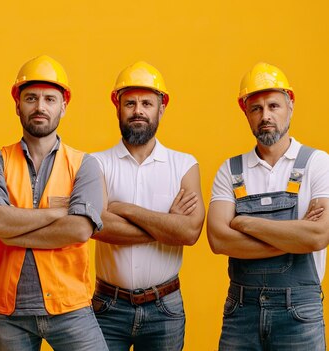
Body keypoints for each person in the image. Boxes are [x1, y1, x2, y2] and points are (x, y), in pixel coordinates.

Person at [0, 55, 109, 351]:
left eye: (49, 99)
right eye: (31, 98)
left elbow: (79, 230)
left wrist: (11, 231)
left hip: (70, 307)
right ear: (17, 104)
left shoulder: (84, 164)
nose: (40, 107)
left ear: (64, 106)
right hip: (9, 312)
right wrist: (57, 213)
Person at [207, 62, 329, 350]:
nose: (265, 116)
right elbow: (217, 239)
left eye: (273, 106)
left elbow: (318, 236)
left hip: (300, 312)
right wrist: (295, 236)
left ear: (290, 105)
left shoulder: (318, 163)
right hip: (241, 311)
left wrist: (245, 223)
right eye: (256, 109)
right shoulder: (230, 170)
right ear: (246, 114)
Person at [91, 61, 205, 351]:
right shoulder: (96, 163)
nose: (138, 110)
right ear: (117, 107)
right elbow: (97, 226)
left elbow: (190, 233)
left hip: (164, 308)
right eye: (130, 103)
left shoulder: (184, 165)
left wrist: (125, 209)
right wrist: (169, 225)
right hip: (107, 307)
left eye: (146, 103)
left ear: (161, 108)